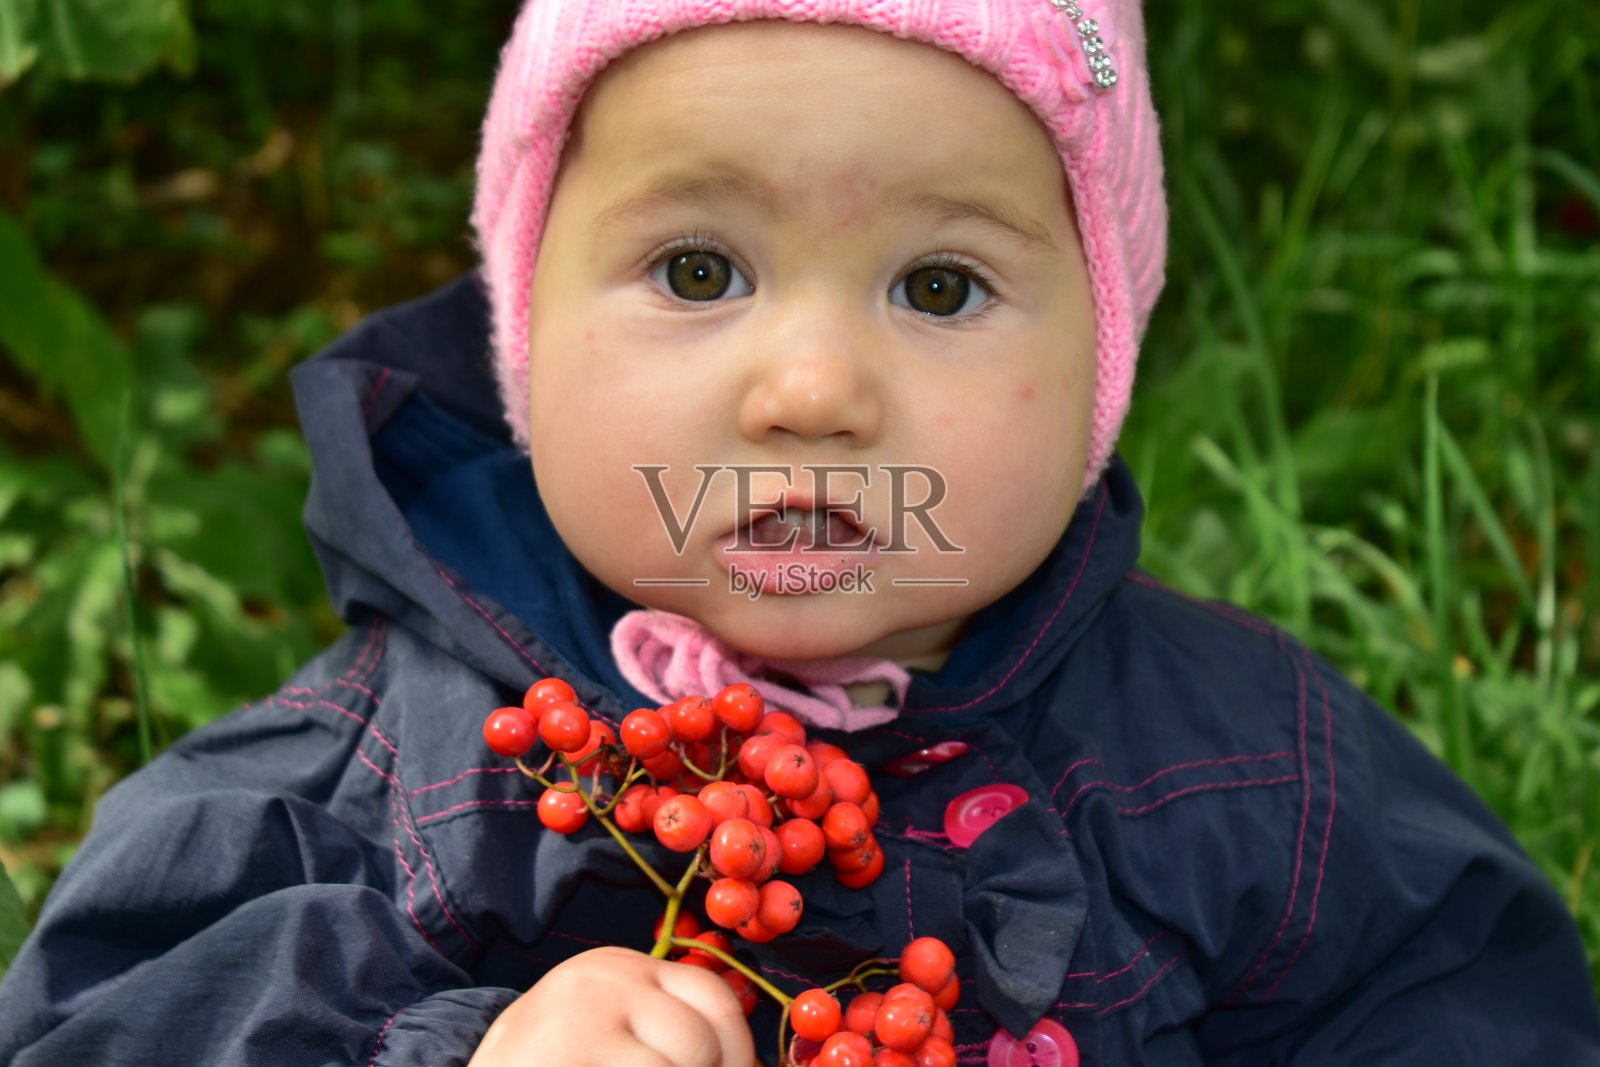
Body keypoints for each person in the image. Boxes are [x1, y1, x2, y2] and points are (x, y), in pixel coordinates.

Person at [2, 0, 1597, 1064]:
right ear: (526, 343)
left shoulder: (1250, 766)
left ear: (1100, 373)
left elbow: (1479, 1011)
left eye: (941, 287)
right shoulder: (381, 783)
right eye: (699, 271)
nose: (816, 390)